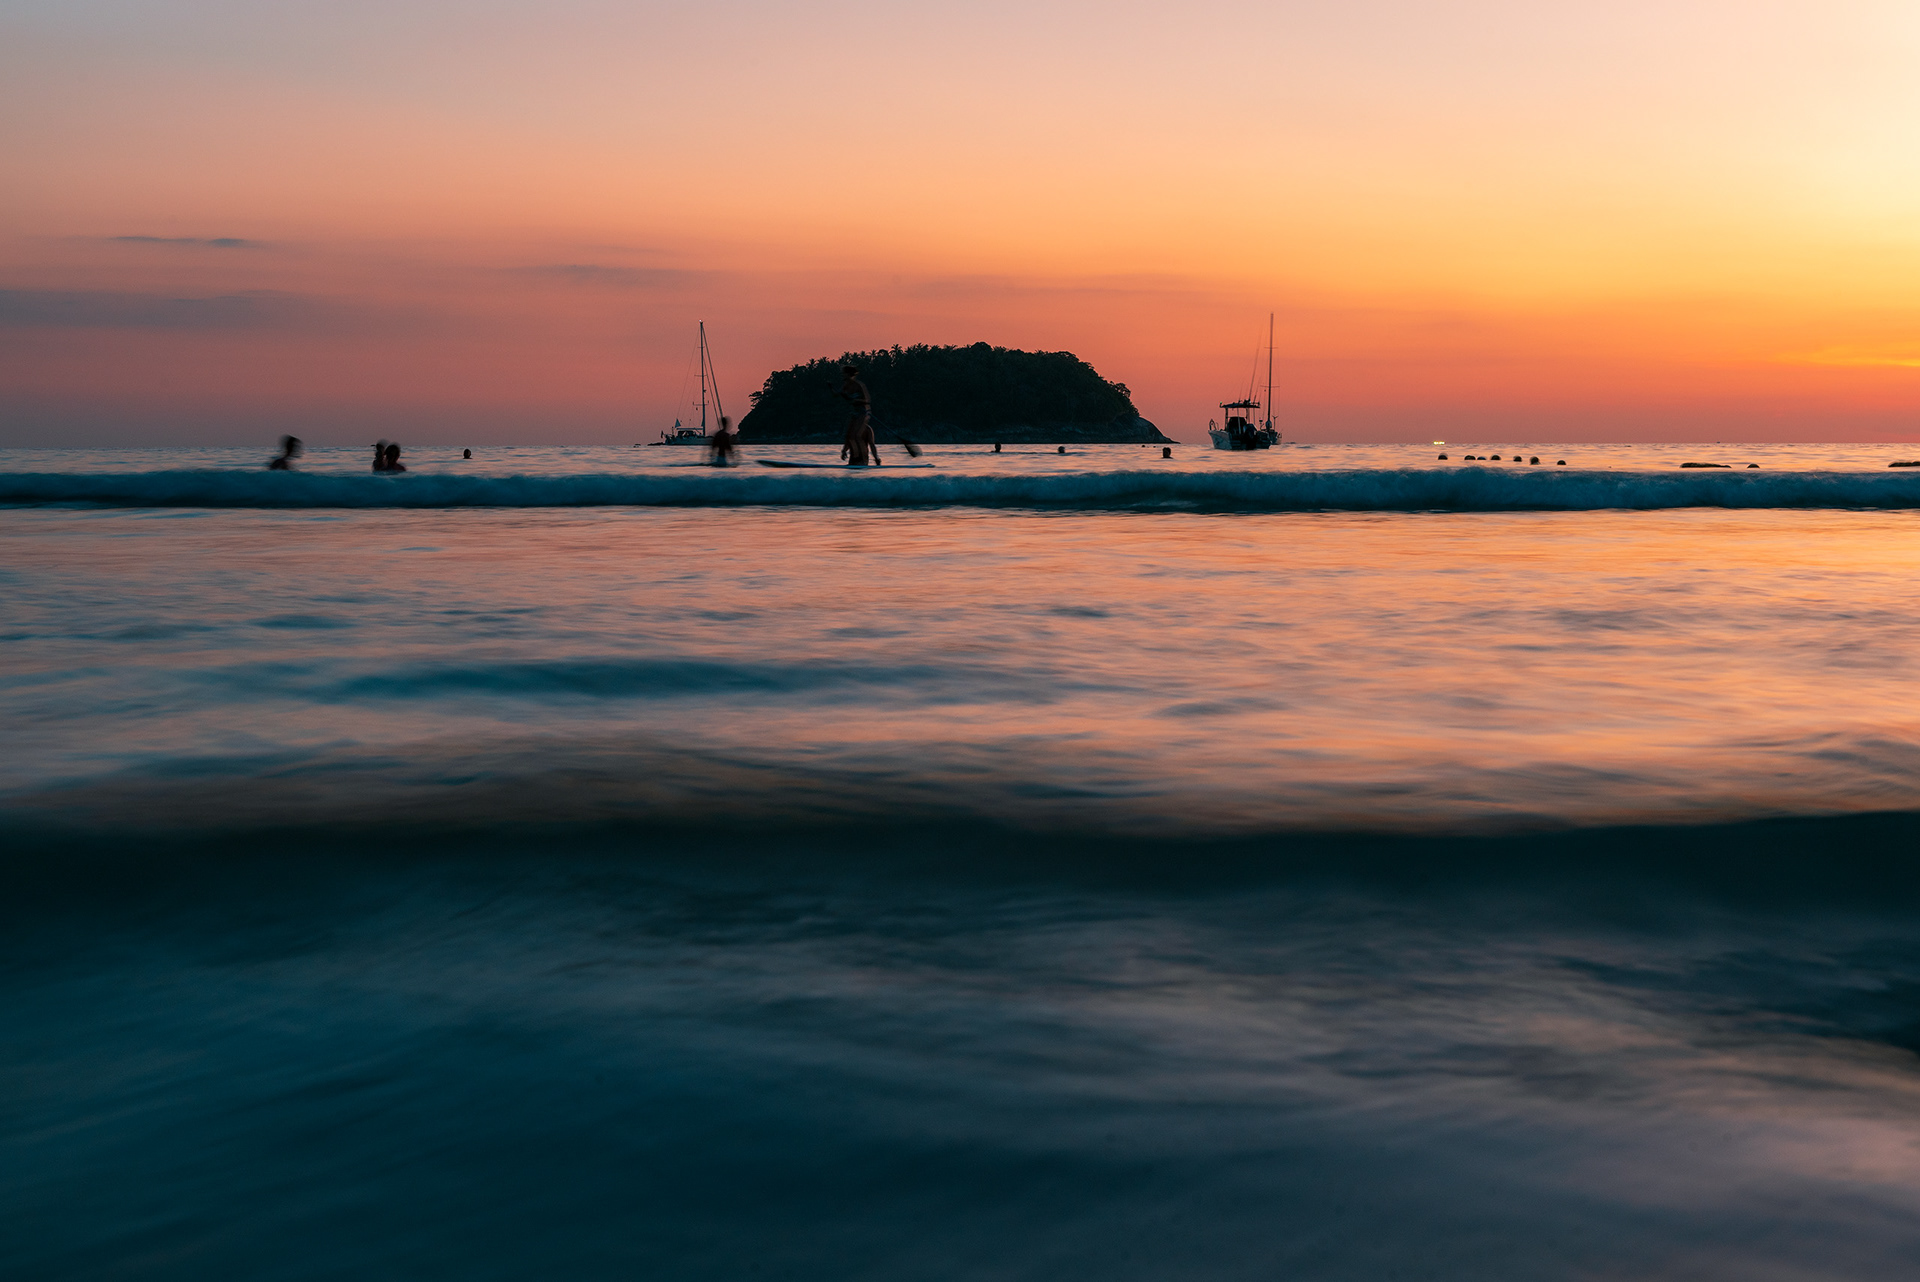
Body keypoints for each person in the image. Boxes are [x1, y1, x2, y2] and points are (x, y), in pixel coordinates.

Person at [837, 365, 880, 467]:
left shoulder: (868, 430)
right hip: (852, 461)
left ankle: (861, 461)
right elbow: (848, 440)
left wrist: (876, 459)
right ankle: (854, 461)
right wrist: (844, 451)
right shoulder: (853, 426)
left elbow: (872, 445)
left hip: (863, 461)